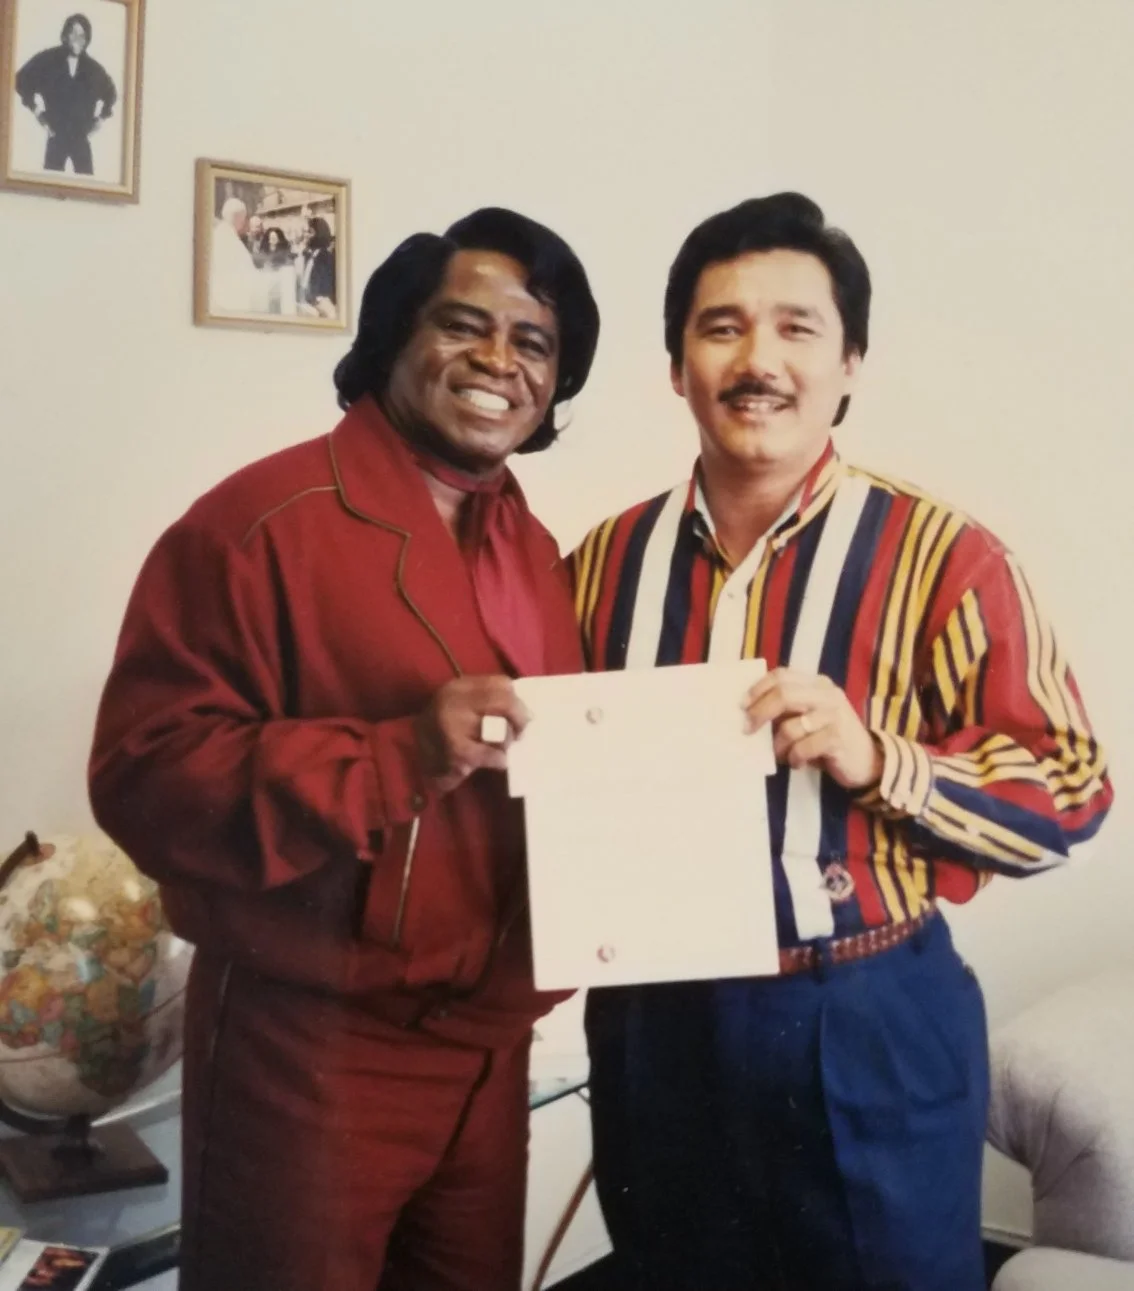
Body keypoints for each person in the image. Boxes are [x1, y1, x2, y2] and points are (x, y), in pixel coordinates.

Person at [571, 192, 1113, 1291]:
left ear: (851, 363)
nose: (756, 358)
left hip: (863, 1016)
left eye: (796, 327)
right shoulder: (594, 567)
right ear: (676, 365)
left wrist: (881, 759)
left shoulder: (945, 556)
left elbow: (1072, 790)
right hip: (655, 1026)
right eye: (720, 326)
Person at [89, 206, 600, 1291]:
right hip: (312, 1053)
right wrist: (395, 752)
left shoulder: (534, 547)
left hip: (490, 1051)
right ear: (392, 337)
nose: (499, 363)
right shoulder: (258, 522)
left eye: (534, 343)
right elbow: (142, 778)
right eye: (464, 325)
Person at [14, 13, 116, 177]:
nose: (77, 39)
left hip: (81, 137)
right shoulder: (48, 59)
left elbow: (111, 93)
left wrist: (101, 118)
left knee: (87, 187)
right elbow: (20, 80)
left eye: (82, 35)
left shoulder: (93, 69)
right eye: (73, 33)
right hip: (56, 134)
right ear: (65, 35)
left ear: (87, 39)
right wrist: (37, 111)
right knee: (50, 186)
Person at [209, 196, 262, 314]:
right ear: (240, 218)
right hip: (229, 306)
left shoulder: (218, 234)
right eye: (244, 218)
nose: (245, 223)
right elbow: (246, 277)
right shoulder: (231, 242)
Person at [298, 214, 337, 317]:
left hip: (319, 303)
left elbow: (327, 285)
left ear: (319, 234)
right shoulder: (308, 254)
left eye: (310, 232)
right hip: (306, 301)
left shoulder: (326, 257)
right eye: (306, 232)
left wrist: (317, 299)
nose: (306, 235)